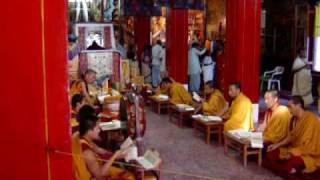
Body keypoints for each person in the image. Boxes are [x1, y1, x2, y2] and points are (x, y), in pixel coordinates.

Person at [264, 96, 320, 176]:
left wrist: (292, 153)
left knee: (294, 161)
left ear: (299, 105)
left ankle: (290, 167)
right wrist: (276, 145)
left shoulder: (310, 119)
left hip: (308, 154)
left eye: (290, 107)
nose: (289, 110)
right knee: (271, 152)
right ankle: (290, 168)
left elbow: (308, 146)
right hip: (293, 149)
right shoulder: (293, 119)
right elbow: (291, 137)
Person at [73, 115, 135, 180]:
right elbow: (99, 176)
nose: (99, 130)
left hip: (100, 167)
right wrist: (114, 156)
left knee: (127, 173)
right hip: (97, 176)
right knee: (129, 177)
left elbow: (101, 151)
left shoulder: (85, 139)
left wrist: (117, 155)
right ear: (89, 131)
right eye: (97, 128)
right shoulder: (87, 152)